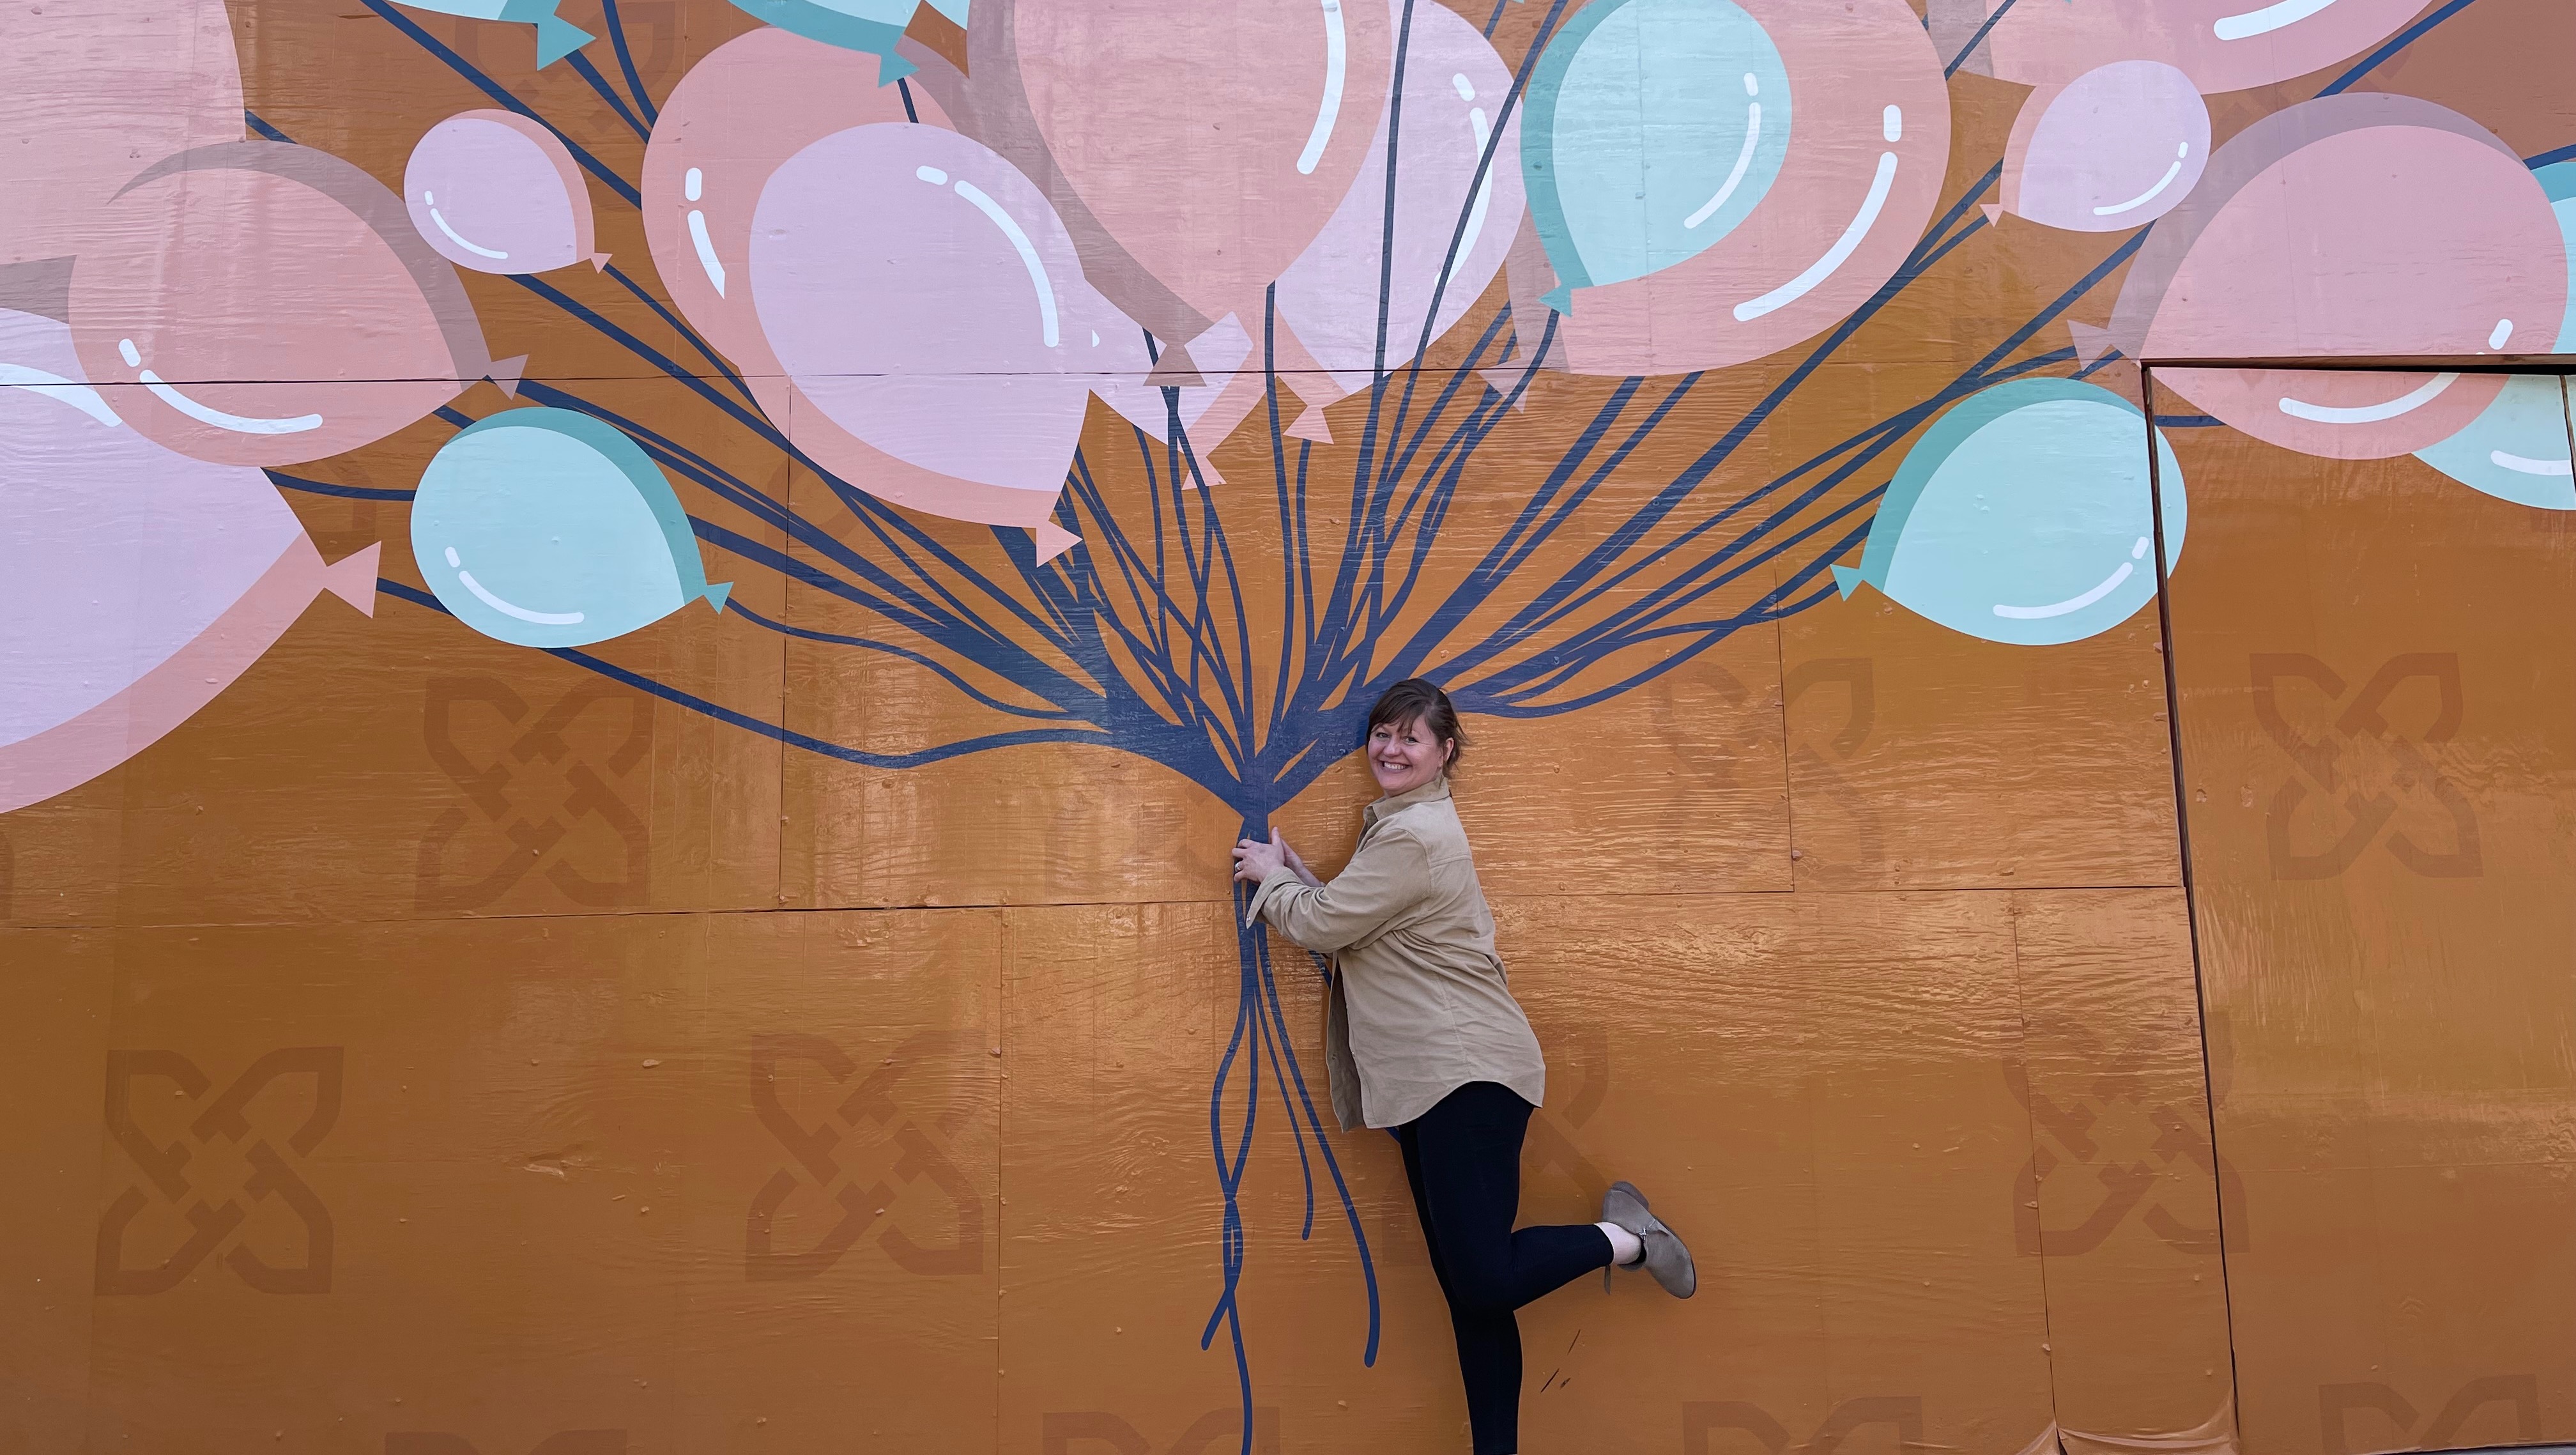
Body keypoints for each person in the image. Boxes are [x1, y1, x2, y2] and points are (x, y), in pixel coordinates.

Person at [1230, 677, 1696, 1455]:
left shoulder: (1414, 835)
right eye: (1382, 733)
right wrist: (1304, 881)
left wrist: (1270, 876)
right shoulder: (1402, 830)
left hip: (1463, 1076)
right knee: (1472, 1294)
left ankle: (1627, 1239)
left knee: (1482, 1279)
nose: (1390, 748)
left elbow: (1329, 924)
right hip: (1430, 1082)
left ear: (1444, 752)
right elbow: (1363, 926)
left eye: (1410, 737)